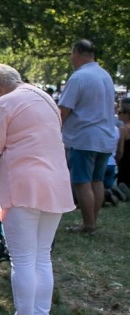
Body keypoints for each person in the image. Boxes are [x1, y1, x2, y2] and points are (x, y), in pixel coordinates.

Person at [0, 64, 74, 315]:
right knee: (42, 257)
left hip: (22, 184)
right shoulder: (45, 98)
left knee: (23, 259)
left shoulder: (4, 104)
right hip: (56, 182)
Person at [58, 39, 117, 233]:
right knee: (96, 180)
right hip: (105, 137)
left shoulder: (79, 77)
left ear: (76, 52)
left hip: (83, 137)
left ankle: (88, 224)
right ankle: (93, 220)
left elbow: (63, 110)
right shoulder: (105, 75)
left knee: (82, 181)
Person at [116, 100, 130, 188]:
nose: (118, 114)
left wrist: (117, 160)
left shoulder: (123, 129)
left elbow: (120, 150)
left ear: (126, 114)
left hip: (126, 162)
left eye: (120, 112)